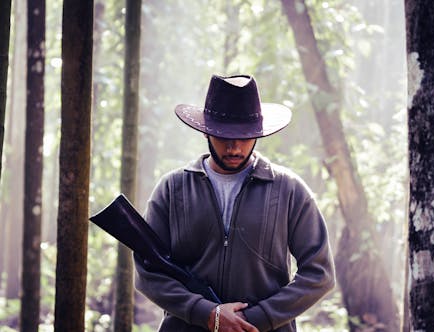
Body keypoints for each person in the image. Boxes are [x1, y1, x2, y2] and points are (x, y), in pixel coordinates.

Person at [134, 74, 335, 332]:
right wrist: (206, 314)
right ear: (206, 131)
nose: (234, 147)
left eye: (244, 136)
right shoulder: (172, 189)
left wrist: (255, 319)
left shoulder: (290, 190)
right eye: (224, 136)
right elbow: (147, 270)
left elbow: (320, 274)